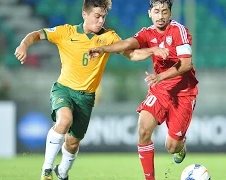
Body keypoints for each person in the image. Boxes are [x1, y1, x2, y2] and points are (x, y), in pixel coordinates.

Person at [14, 0, 167, 180]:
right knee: (64, 120)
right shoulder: (66, 32)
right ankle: (46, 171)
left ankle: (62, 171)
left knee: (72, 142)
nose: (101, 21)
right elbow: (36, 34)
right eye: (97, 16)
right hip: (64, 89)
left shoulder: (109, 37)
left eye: (103, 17)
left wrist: (152, 51)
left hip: (86, 98)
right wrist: (24, 45)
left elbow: (132, 54)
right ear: (84, 14)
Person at [88, 0, 198, 179]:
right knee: (144, 129)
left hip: (184, 92)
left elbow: (186, 64)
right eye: (156, 11)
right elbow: (126, 44)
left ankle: (180, 147)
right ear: (150, 13)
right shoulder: (147, 33)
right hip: (160, 90)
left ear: (170, 14)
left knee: (172, 146)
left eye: (164, 12)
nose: (160, 16)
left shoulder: (179, 31)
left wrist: (161, 76)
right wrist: (102, 49)